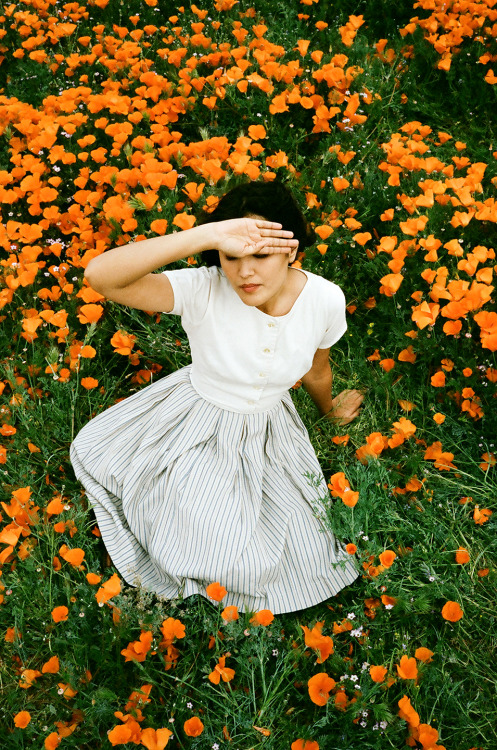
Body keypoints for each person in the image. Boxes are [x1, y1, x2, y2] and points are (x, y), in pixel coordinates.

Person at [70, 180, 364, 615]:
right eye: (232, 256)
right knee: (204, 541)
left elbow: (316, 369)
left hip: (269, 430)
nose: (246, 272)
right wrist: (207, 234)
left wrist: (329, 411)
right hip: (195, 423)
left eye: (261, 255)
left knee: (283, 547)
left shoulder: (323, 299)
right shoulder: (204, 288)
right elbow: (100, 276)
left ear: (292, 250)